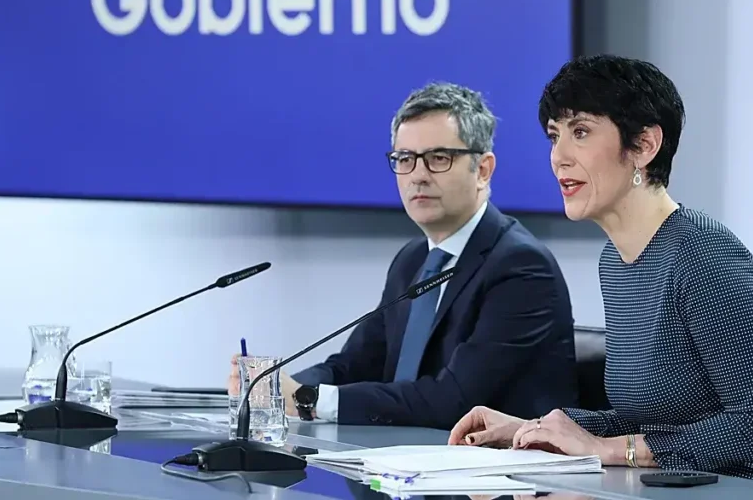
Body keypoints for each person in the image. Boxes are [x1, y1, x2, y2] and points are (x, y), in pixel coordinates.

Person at [448, 55, 753, 488]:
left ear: (643, 146)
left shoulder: (706, 261)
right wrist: (533, 428)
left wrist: (606, 449)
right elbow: (649, 419)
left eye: (580, 133)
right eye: (554, 136)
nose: (558, 157)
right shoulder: (617, 262)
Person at [230, 82, 577, 429]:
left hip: (506, 475)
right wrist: (272, 389)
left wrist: (308, 398)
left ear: (483, 170)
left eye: (438, 158)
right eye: (405, 159)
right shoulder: (412, 260)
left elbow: (453, 401)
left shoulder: (521, 267)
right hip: (411, 465)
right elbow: (352, 366)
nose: (418, 176)